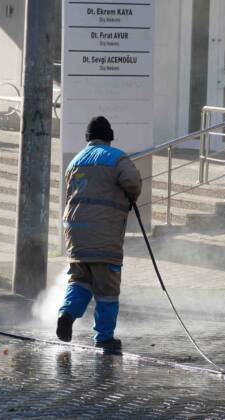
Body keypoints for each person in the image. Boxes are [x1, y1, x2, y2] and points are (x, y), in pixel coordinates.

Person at [56, 116, 142, 352]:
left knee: (80, 280)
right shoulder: (116, 158)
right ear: (109, 138)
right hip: (104, 235)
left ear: (88, 138)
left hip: (75, 234)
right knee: (106, 289)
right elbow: (132, 182)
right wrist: (130, 196)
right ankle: (104, 338)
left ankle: (66, 313)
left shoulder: (75, 161)